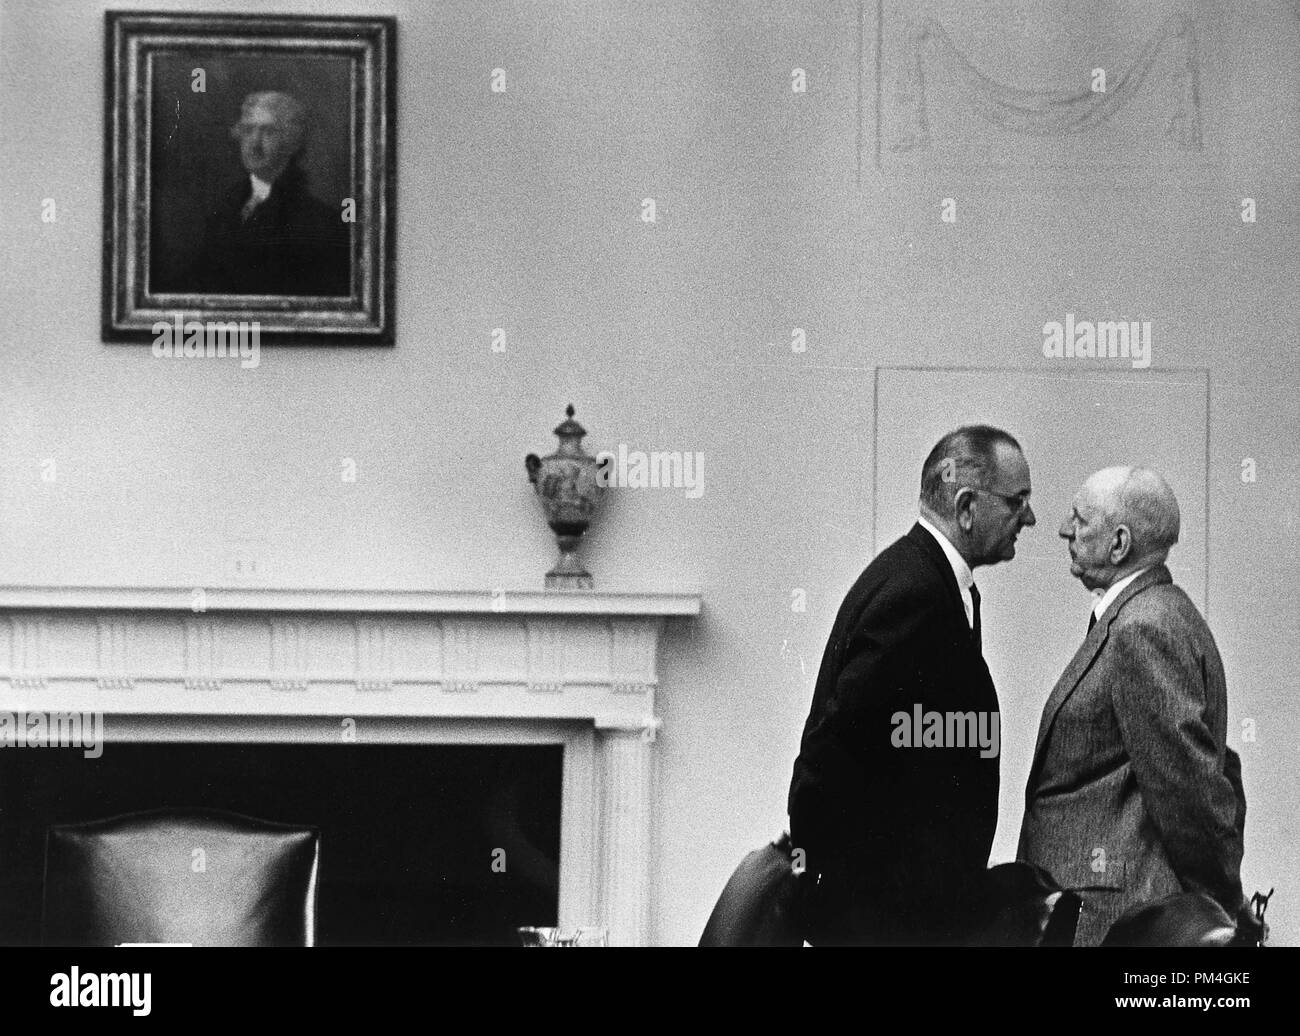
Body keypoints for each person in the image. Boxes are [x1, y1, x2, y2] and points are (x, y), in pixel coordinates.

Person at [788, 425, 1036, 944]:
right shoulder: (916, 593)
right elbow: (829, 756)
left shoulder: (925, 580)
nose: (1028, 518)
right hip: (888, 924)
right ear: (967, 506)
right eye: (1017, 502)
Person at [1018, 466, 1247, 946]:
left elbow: (1190, 791)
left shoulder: (1144, 628)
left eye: (1080, 520)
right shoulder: (1155, 615)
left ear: (1119, 544)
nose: (1063, 529)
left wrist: (1222, 910)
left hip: (1111, 923)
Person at [184, 91, 350, 296]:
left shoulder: (318, 221)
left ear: (291, 142)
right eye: (248, 130)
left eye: (268, 132)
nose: (254, 143)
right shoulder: (225, 206)